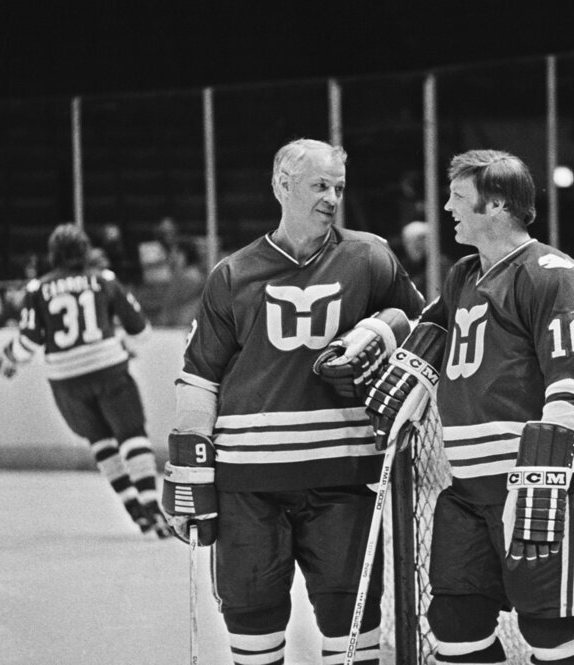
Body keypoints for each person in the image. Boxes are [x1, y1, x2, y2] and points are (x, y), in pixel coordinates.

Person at [160, 138, 425, 664]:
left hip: (343, 480)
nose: (332, 198)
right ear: (283, 185)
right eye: (319, 185)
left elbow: (426, 328)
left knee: (352, 630)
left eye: (339, 187)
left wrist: (388, 327)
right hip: (248, 488)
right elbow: (199, 380)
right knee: (253, 623)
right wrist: (189, 468)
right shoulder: (232, 275)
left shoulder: (370, 257)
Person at [365, 150, 574, 664]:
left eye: (458, 197)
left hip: (544, 483)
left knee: (552, 632)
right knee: (454, 626)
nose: (448, 208)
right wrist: (394, 396)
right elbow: (429, 342)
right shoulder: (462, 275)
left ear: (496, 203)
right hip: (471, 488)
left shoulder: (551, 274)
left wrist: (542, 475)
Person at [0, 223, 170, 538]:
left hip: (66, 381)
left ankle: (134, 509)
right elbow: (141, 331)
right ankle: (152, 505)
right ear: (86, 252)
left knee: (101, 441)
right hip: (109, 369)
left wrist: (9, 359)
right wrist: (124, 346)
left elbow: (28, 343)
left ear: (53, 255)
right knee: (132, 435)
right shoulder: (104, 281)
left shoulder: (38, 290)